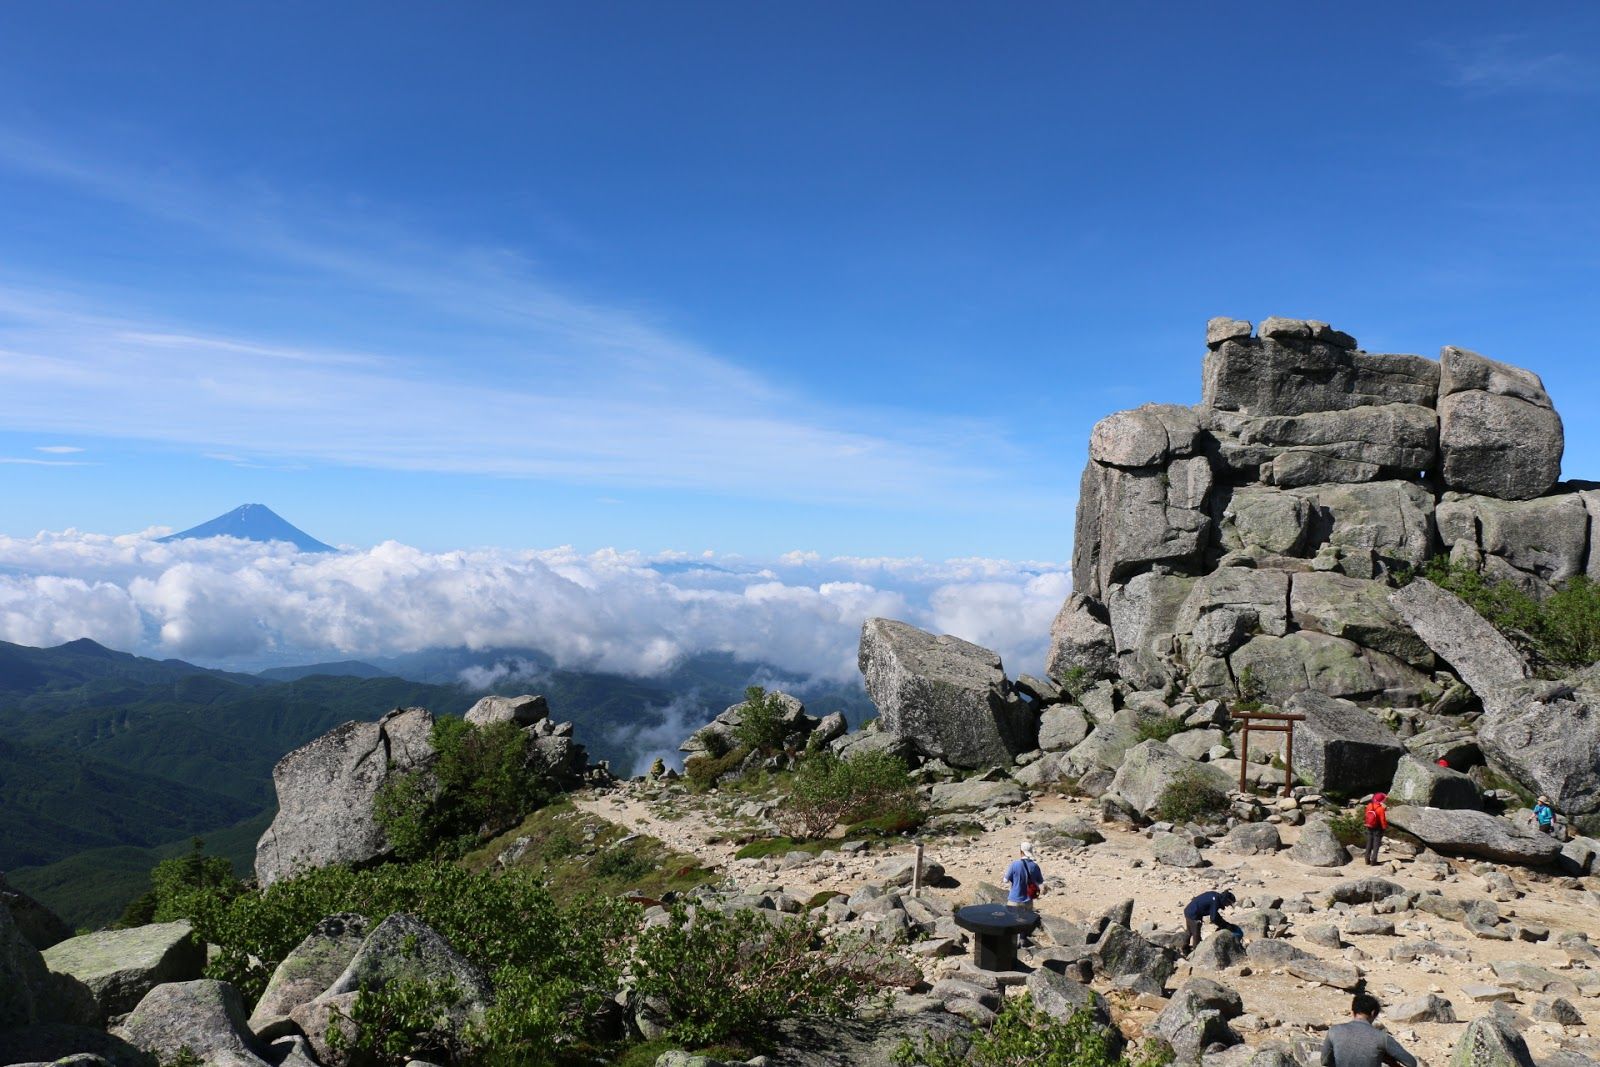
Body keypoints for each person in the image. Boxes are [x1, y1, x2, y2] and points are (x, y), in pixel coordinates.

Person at [1320, 993, 1416, 1067]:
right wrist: (1390, 1061)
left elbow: (1324, 1061)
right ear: (1373, 1013)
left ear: (1352, 1012)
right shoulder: (1382, 1038)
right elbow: (1411, 1063)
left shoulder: (1334, 1030)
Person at [1003, 841, 1044, 947]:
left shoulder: (1015, 864)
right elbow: (1040, 881)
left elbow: (1005, 880)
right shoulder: (1035, 866)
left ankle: (1012, 944)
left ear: (1021, 851)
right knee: (1024, 921)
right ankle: (1022, 940)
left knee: (1012, 921)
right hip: (1028, 900)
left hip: (1014, 899)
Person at [1363, 792, 1389, 865]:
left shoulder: (1369, 805)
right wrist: (1384, 828)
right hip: (1377, 828)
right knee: (1376, 845)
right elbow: (1382, 820)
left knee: (1369, 843)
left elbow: (1366, 815)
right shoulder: (1381, 809)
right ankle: (1373, 861)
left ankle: (1367, 859)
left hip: (1369, 826)